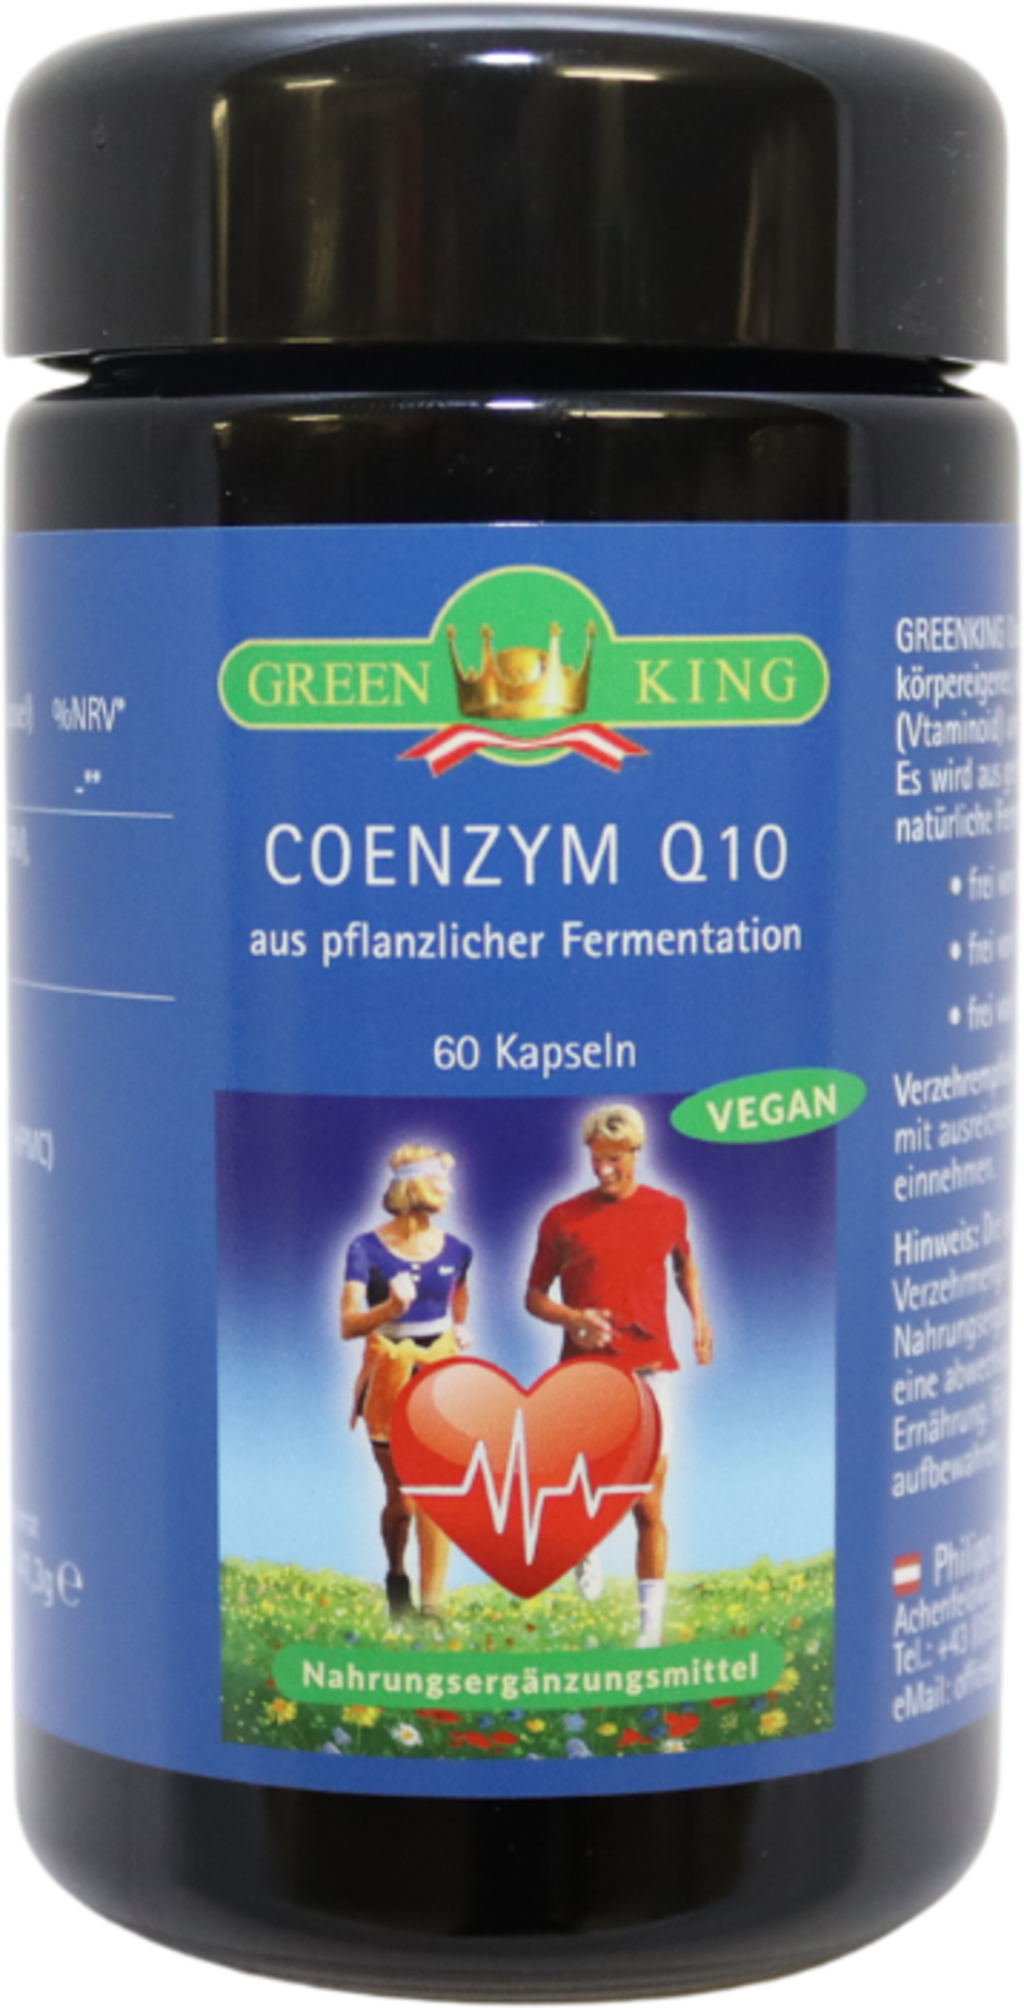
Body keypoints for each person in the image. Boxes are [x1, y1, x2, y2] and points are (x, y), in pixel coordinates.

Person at [525, 1104, 712, 1647]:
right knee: (584, 1487)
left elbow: (684, 1264)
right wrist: (572, 1318)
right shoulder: (561, 1219)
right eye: (595, 1159)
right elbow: (533, 1296)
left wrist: (700, 1319)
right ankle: (583, 1543)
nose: (603, 1169)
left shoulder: (669, 1209)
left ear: (635, 1151)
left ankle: (649, 1632)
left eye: (614, 1159)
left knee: (648, 1503)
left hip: (650, 1371)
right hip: (584, 1375)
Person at [342, 1145, 472, 1622]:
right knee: (403, 1500)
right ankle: (397, 1579)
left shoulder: (458, 1250)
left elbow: (459, 1297)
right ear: (415, 1186)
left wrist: (459, 1328)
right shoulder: (365, 1249)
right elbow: (348, 1323)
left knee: (437, 1493)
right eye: (441, 1181)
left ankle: (431, 1609)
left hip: (440, 1375)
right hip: (389, 1373)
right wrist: (390, 1310)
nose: (450, 1189)